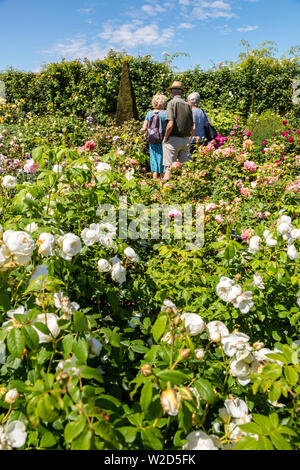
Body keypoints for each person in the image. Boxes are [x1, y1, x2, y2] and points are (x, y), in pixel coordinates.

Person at [162, 81, 195, 181]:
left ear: (172, 91)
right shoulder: (188, 106)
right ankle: (185, 191)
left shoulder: (171, 103)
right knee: (184, 169)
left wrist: (165, 137)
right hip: (185, 140)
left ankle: (162, 193)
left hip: (173, 140)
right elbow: (193, 127)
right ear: (181, 92)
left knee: (168, 168)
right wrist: (189, 139)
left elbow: (170, 124)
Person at [141, 93, 168, 180]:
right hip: (163, 140)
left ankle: (154, 181)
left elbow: (144, 127)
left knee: (154, 160)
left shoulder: (149, 114)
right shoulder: (165, 113)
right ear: (163, 103)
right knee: (163, 160)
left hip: (152, 140)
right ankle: (162, 183)